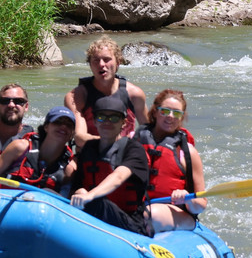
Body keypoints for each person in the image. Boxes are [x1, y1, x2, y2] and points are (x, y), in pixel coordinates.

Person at [68, 95, 151, 236]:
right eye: (101, 117)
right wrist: (79, 192)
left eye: (114, 118)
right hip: (93, 217)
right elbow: (77, 185)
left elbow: (118, 177)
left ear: (124, 123)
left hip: (129, 224)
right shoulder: (88, 148)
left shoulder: (134, 149)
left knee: (95, 202)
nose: (107, 122)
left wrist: (90, 195)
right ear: (94, 121)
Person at [137, 89, 207, 232]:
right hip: (138, 206)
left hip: (174, 213)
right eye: (165, 111)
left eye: (176, 113)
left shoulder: (188, 153)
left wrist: (187, 198)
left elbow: (201, 205)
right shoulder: (134, 142)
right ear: (155, 112)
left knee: (150, 215)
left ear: (181, 117)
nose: (170, 116)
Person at [65, 37, 146, 150]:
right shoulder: (76, 96)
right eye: (96, 60)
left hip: (125, 153)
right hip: (91, 154)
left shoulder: (134, 94)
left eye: (107, 59)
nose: (101, 64)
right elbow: (80, 137)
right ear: (90, 65)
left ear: (118, 63)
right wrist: (118, 141)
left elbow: (149, 132)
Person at [0, 106, 77, 194]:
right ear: (46, 127)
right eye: (58, 122)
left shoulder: (69, 168)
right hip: (4, 203)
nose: (63, 126)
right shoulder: (19, 148)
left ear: (72, 133)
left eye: (69, 125)